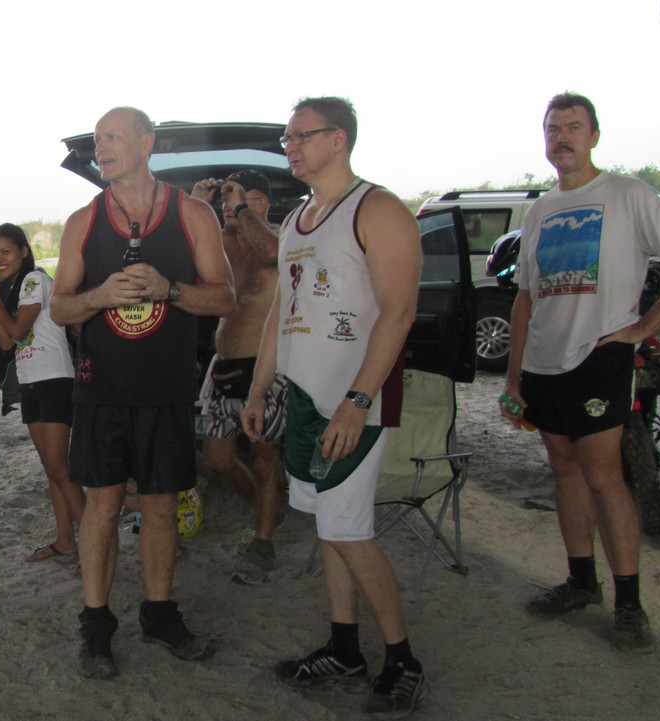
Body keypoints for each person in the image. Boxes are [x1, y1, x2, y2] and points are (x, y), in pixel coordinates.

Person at [241, 97, 426, 715]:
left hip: (353, 402)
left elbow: (399, 312)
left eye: (301, 135)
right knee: (329, 525)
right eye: (287, 137)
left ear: (338, 139)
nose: (289, 146)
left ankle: (402, 659)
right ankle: (344, 646)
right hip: (304, 397)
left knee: (348, 529)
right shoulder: (297, 219)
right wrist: (259, 387)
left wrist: (357, 402)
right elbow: (282, 311)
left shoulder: (379, 209)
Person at [51, 106, 235, 679]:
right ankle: (96, 626)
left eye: (112, 137)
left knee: (160, 506)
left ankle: (159, 615)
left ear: (146, 143)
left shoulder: (192, 214)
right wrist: (99, 297)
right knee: (103, 506)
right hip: (101, 388)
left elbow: (225, 297)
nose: (100, 148)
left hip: (166, 388)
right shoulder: (83, 221)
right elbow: (60, 308)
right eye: (97, 139)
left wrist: (169, 289)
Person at [501, 92, 660, 652]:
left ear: (594, 135)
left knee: (603, 476)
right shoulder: (539, 210)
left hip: (599, 356)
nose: (561, 137)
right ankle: (581, 582)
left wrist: (643, 329)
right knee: (565, 469)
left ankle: (629, 603)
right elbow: (525, 297)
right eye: (553, 128)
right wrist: (513, 375)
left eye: (573, 127)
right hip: (543, 362)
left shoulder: (628, 194)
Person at [191, 170, 288, 585]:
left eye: (237, 197)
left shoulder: (280, 236)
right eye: (225, 198)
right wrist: (197, 206)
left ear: (260, 202)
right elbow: (184, 259)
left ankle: (263, 543)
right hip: (223, 365)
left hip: (265, 366)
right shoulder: (222, 241)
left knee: (265, 459)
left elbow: (273, 254)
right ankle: (268, 510)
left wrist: (242, 208)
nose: (227, 205)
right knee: (217, 459)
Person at [0, 223, 85, 563]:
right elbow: (7, 342)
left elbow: (17, 330)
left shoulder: (34, 280)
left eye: (6, 252)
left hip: (54, 379)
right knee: (51, 468)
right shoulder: (12, 290)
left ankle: (95, 546)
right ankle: (66, 540)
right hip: (31, 382)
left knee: (59, 468)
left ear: (24, 251)